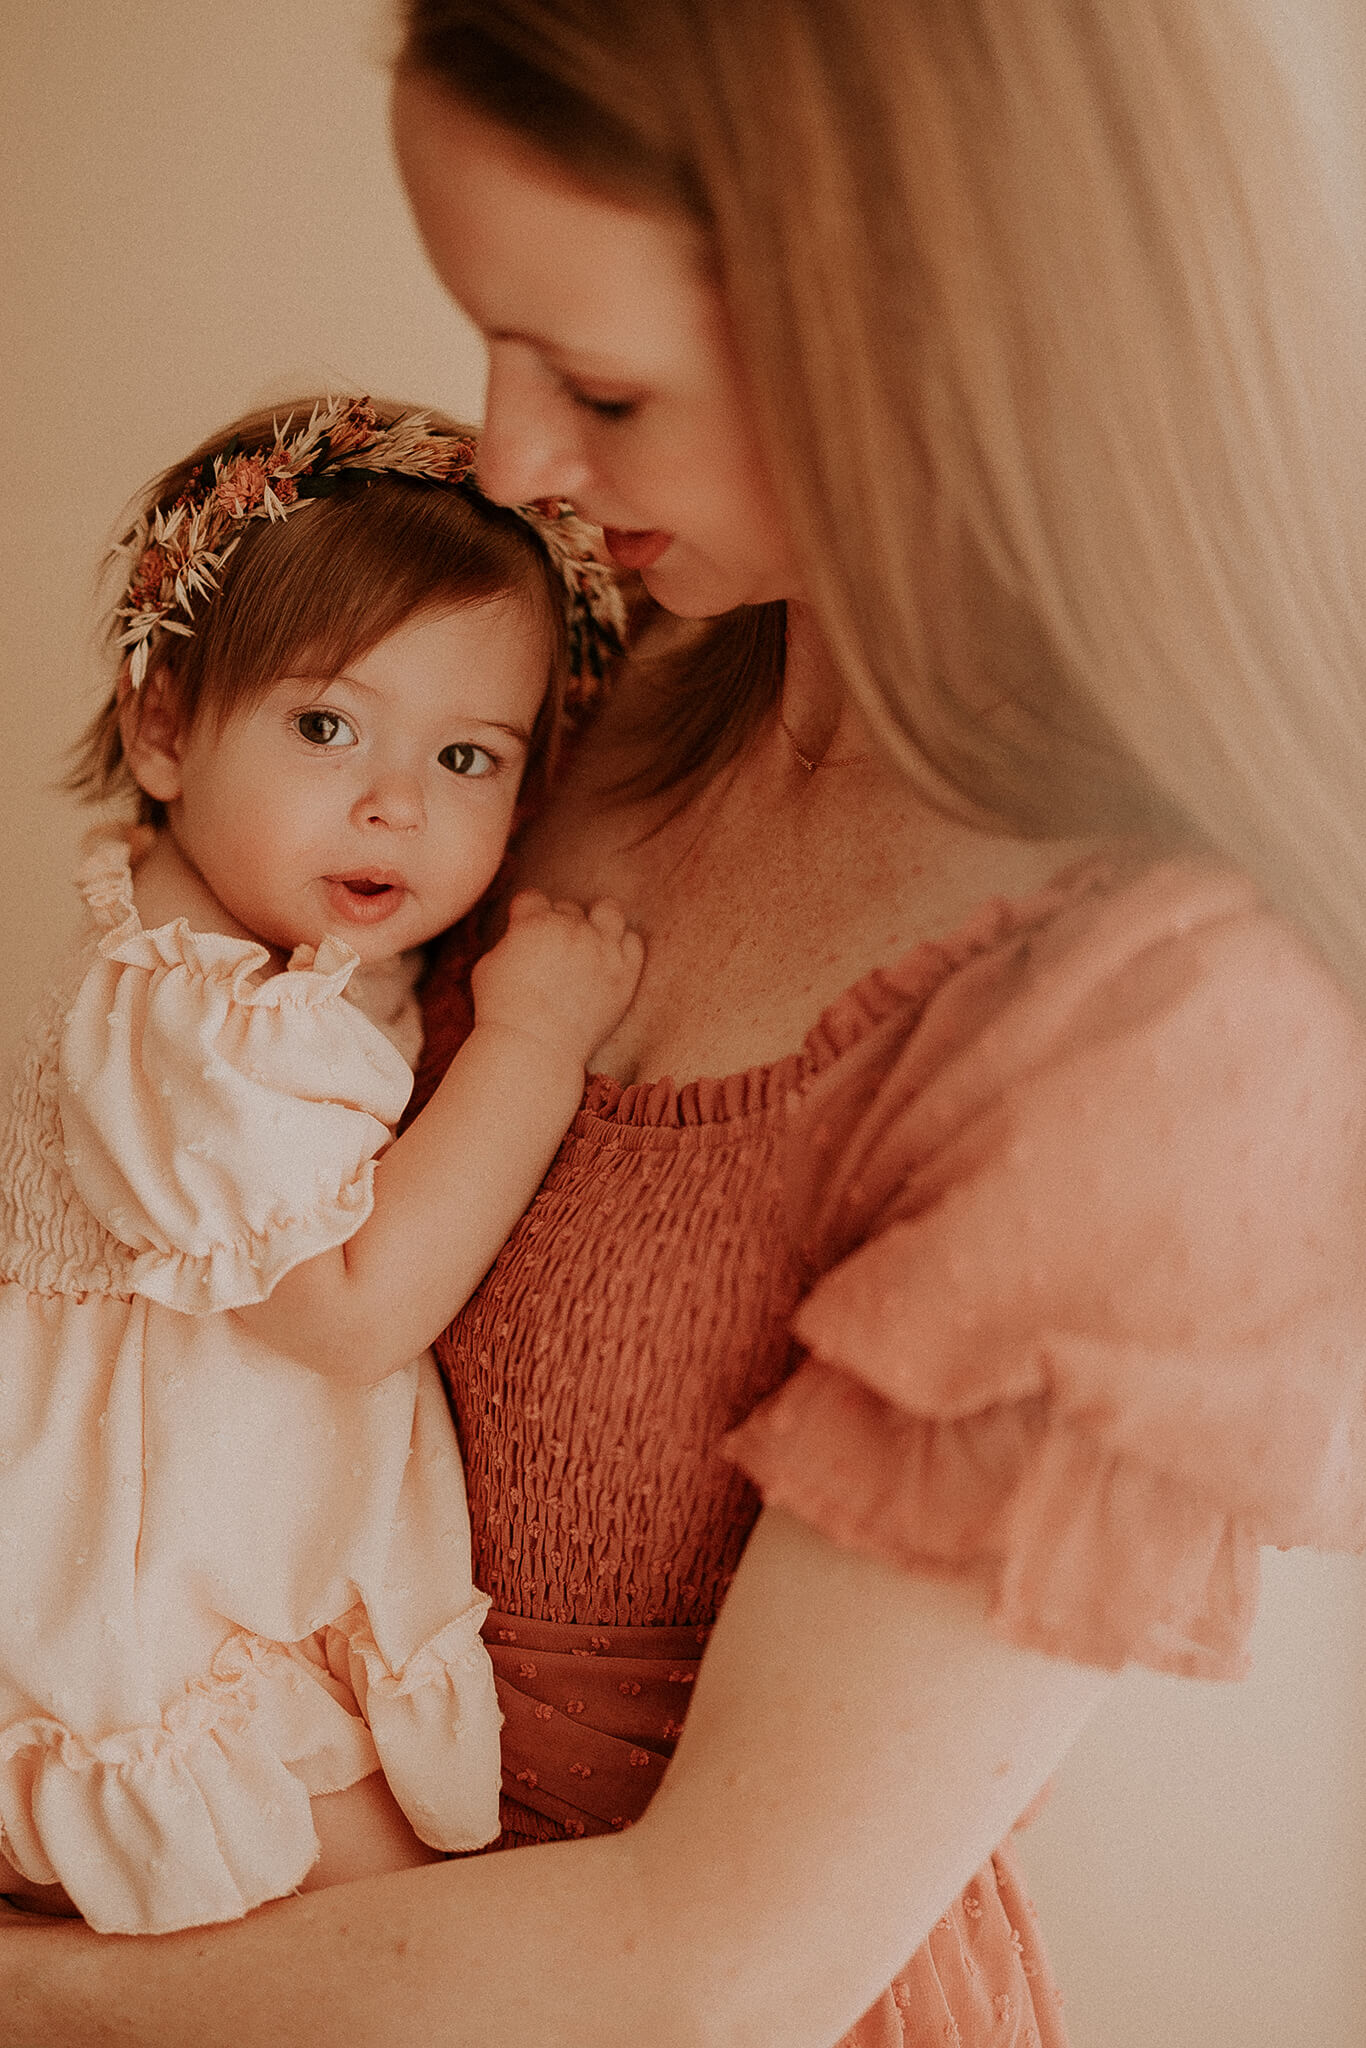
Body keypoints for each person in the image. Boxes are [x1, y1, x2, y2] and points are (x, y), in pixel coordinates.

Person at [5, 3, 1366, 2042]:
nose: (511, 455)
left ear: (943, 340)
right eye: (491, 345)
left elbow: (707, 1975)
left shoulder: (1170, 1030)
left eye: (602, 387)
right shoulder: (584, 711)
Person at [0, 393, 641, 1935]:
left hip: (205, 1566)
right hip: (166, 1616)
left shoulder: (240, 956)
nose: (394, 801)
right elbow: (353, 1307)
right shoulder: (195, 1022)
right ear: (162, 728)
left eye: (468, 755)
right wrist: (532, 1044)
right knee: (390, 1955)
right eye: (325, 724)